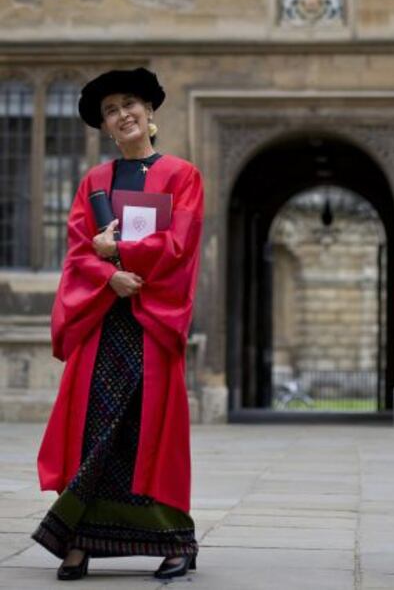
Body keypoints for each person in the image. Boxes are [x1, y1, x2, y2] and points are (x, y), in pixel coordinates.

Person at [31, 67, 204, 581]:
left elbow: (181, 243)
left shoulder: (181, 175)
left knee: (146, 433)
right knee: (93, 429)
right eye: (111, 110)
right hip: (104, 322)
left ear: (150, 113)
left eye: (130, 104)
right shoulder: (95, 181)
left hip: (151, 324)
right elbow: (78, 250)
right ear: (106, 127)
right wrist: (109, 278)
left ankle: (175, 542)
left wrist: (123, 253)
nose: (122, 114)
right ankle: (79, 541)